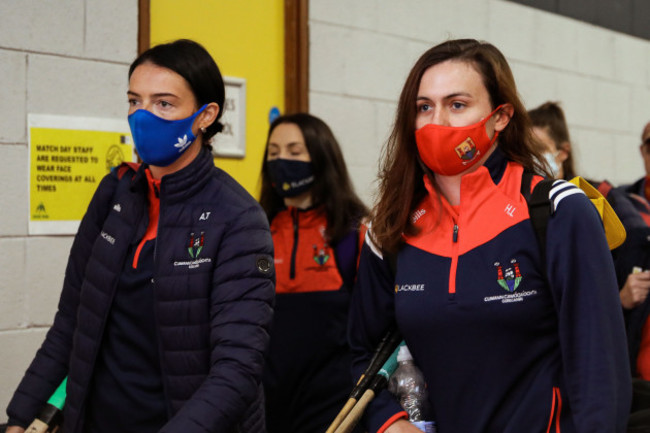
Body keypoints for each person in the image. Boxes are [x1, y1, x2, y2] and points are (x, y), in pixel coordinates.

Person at [348, 39, 631, 433]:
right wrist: (390, 423)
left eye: (457, 105)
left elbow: (600, 368)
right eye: (424, 107)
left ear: (500, 117)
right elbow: (362, 352)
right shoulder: (391, 228)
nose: (438, 122)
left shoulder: (557, 211)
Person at [5, 39, 275, 433]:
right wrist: (21, 416)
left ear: (205, 115)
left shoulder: (238, 218)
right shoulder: (115, 193)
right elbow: (71, 324)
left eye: (163, 103)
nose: (142, 117)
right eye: (135, 101)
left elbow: (237, 370)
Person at [259, 113, 368, 433]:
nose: (282, 161)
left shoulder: (354, 231)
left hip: (335, 408)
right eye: (274, 153)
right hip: (267, 404)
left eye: (295, 152)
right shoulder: (255, 230)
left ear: (321, 157)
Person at [528, 101, 576, 180]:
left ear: (564, 151)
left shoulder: (589, 191)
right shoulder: (517, 190)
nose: (531, 158)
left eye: (539, 149)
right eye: (525, 150)